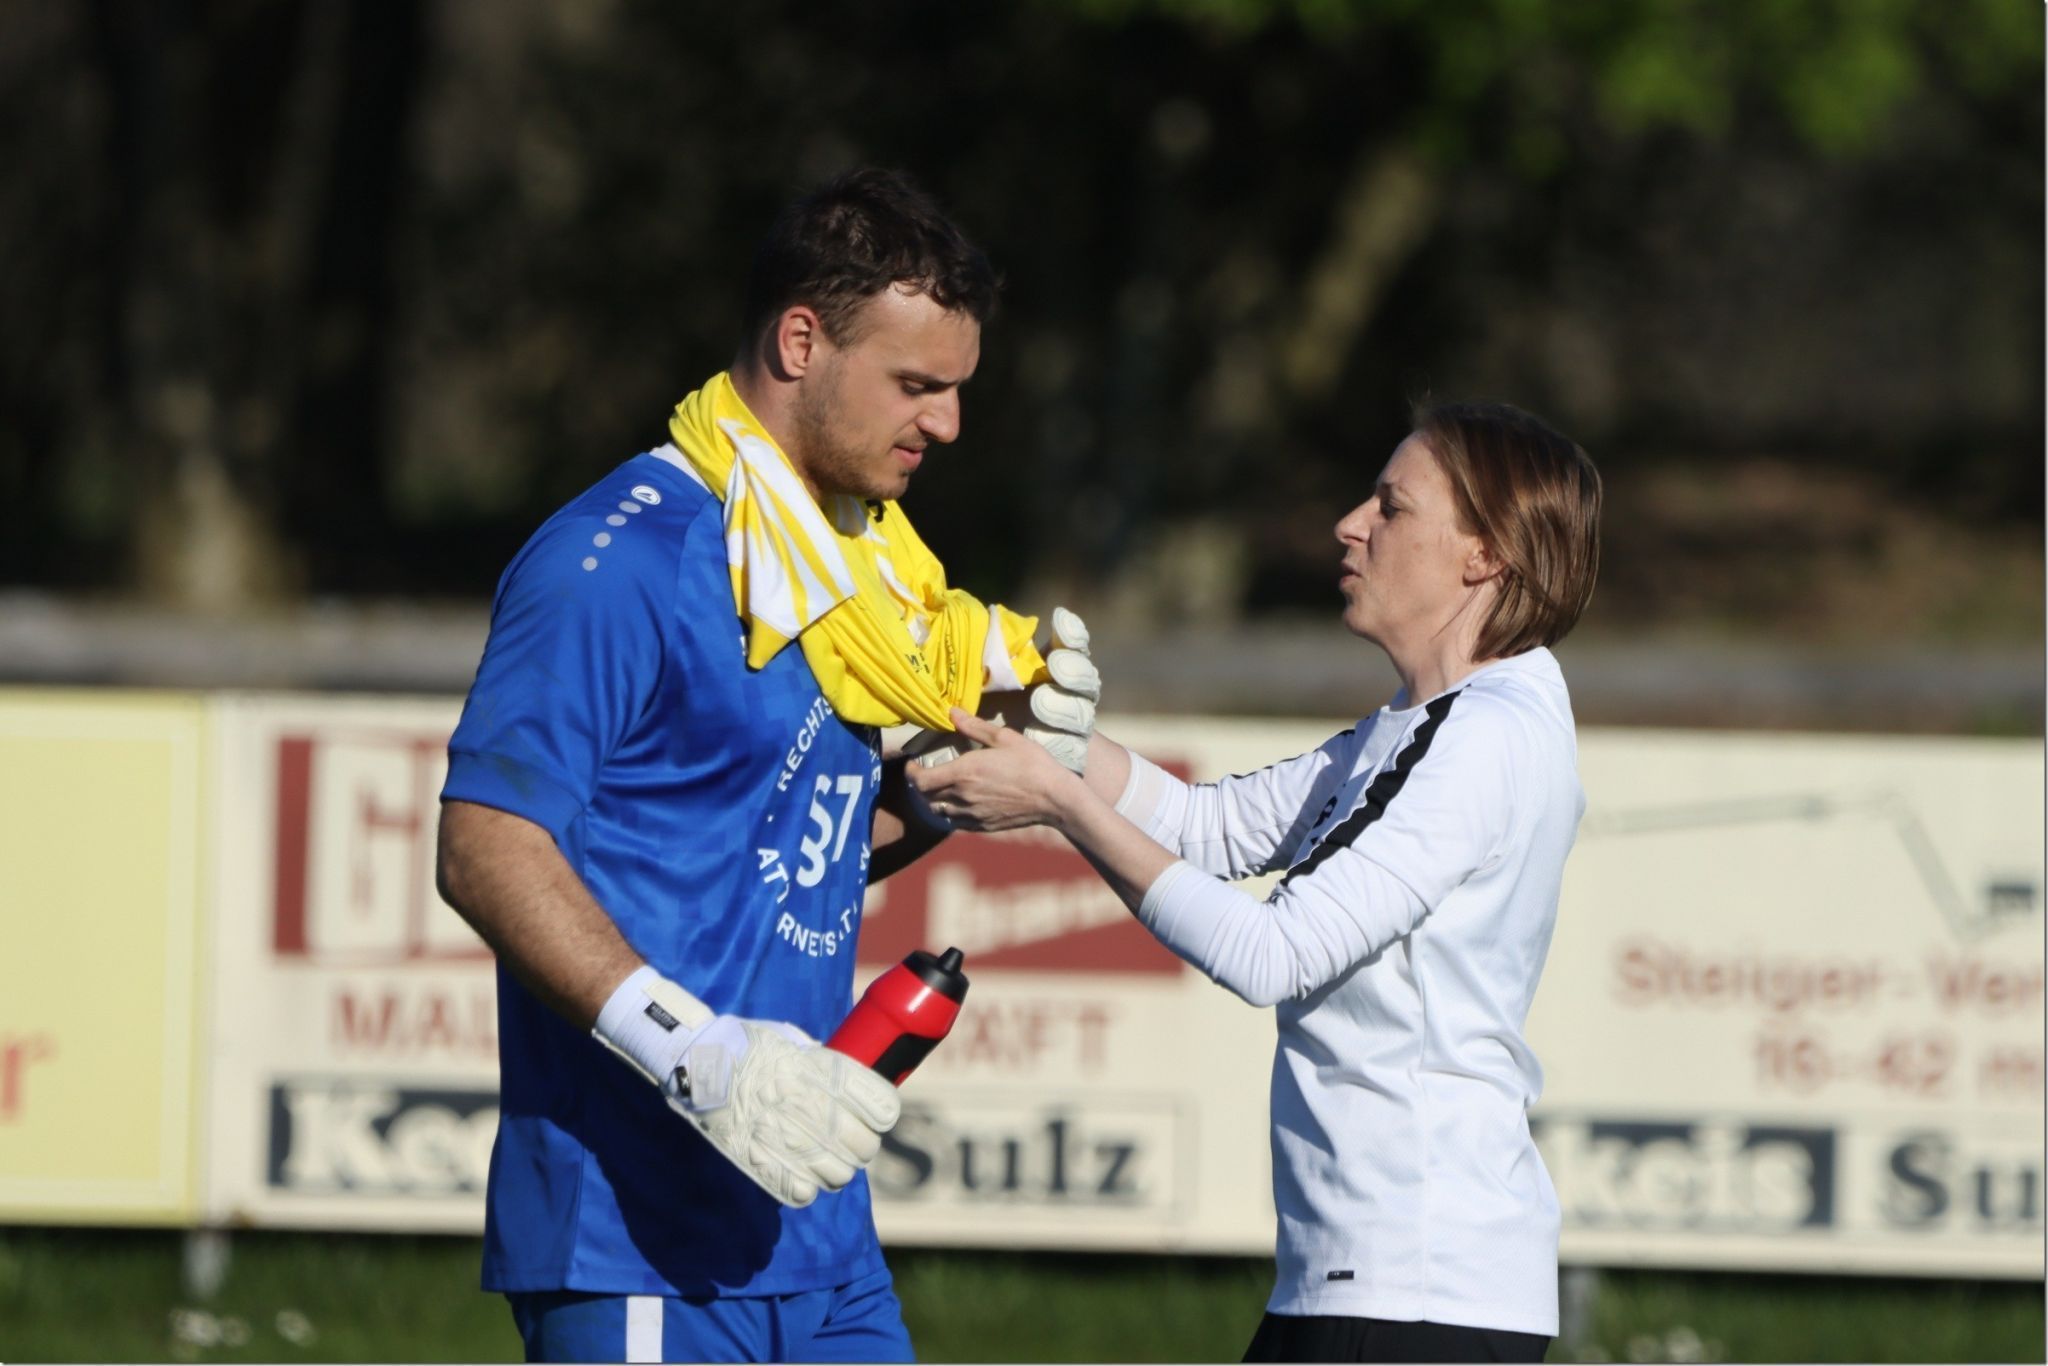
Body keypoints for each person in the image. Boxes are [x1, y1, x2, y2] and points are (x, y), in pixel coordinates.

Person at [434, 167, 1095, 1364]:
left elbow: (789, 847)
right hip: (634, 1235)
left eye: (955, 390)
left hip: (815, 1226)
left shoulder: (862, 576)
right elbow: (484, 844)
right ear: (800, 339)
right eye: (915, 384)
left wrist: (953, 782)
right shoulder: (614, 557)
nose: (945, 424)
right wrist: (691, 1052)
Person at [911, 402, 1602, 1364]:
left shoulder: (1484, 736)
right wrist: (1053, 737)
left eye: (1392, 508)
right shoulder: (1434, 718)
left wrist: (1063, 806)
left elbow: (1270, 953)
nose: (1349, 524)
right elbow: (1210, 827)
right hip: (1383, 1286)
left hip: (1415, 1291)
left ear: (1484, 556)